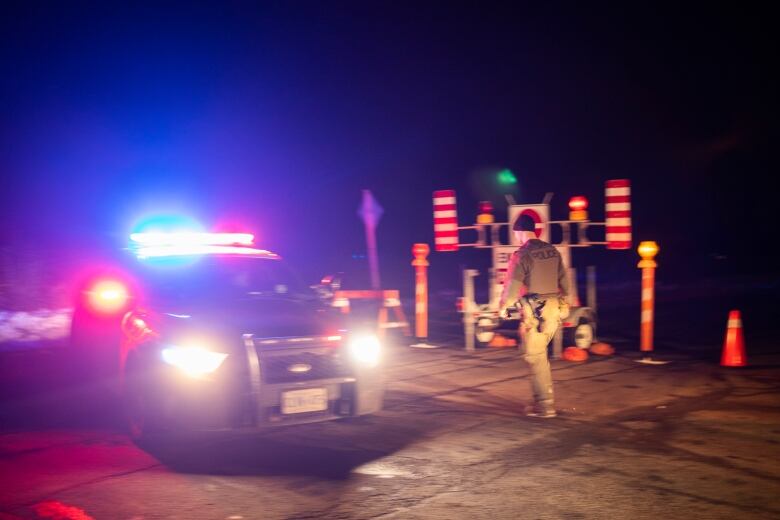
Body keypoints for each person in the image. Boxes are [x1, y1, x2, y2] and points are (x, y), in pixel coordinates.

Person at [498, 214, 570, 418]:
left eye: (515, 234)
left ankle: (545, 405)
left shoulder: (522, 254)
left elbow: (512, 286)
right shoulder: (552, 251)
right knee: (540, 356)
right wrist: (566, 304)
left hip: (535, 312)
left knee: (536, 357)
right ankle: (542, 400)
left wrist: (503, 307)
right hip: (554, 310)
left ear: (519, 232)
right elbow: (565, 282)